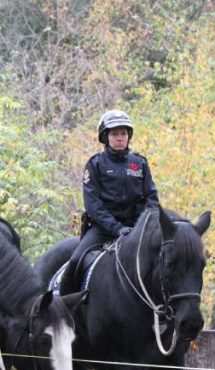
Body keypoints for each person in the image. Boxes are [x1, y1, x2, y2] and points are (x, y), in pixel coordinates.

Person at [59, 109, 159, 295]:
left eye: (123, 133)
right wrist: (116, 228)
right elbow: (93, 205)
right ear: (105, 137)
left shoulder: (140, 164)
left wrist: (140, 226)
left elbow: (151, 198)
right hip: (102, 230)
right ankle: (64, 307)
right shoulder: (95, 164)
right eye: (114, 134)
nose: (120, 138)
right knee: (75, 261)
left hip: (137, 229)